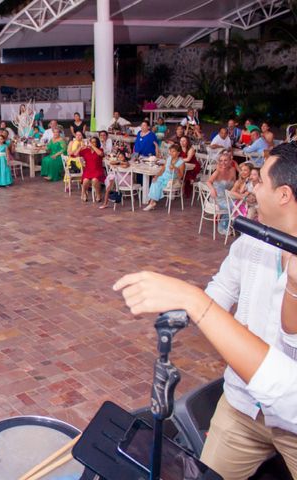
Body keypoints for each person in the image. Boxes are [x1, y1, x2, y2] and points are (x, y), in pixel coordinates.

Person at [129, 142, 297, 478]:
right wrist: (182, 312)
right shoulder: (252, 241)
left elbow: (288, 350)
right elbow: (221, 288)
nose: (252, 188)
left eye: (260, 181)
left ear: (283, 194)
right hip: (241, 405)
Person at [143, 143, 185, 211]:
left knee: (157, 184)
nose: (171, 153)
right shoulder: (169, 159)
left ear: (178, 153)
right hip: (163, 177)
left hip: (172, 179)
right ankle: (152, 202)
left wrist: (175, 169)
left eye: (173, 151)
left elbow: (181, 176)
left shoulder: (181, 162)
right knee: (154, 181)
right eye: (170, 151)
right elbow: (162, 169)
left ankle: (152, 203)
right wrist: (156, 176)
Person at [206, 153, 237, 234]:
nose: (223, 163)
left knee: (240, 204)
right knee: (232, 206)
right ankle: (223, 227)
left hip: (228, 196)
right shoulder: (217, 172)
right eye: (221, 161)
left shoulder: (233, 170)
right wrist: (212, 189)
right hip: (217, 198)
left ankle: (235, 226)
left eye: (225, 160)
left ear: (230, 161)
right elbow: (208, 182)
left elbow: (234, 184)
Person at [79, 137, 105, 202]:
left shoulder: (100, 149)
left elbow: (100, 154)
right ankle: (84, 193)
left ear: (97, 143)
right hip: (88, 170)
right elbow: (75, 154)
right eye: (91, 142)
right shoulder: (86, 150)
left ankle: (98, 194)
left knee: (95, 180)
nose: (92, 143)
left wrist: (92, 147)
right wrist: (81, 147)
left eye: (94, 142)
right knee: (85, 181)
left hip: (97, 170)